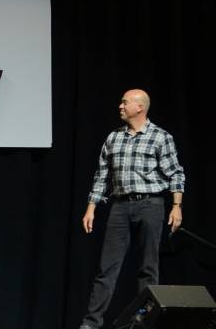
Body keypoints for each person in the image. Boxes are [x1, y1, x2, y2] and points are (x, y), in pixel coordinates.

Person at [79, 89, 185, 329]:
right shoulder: (113, 138)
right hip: (119, 207)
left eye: (125, 102)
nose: (120, 106)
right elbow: (101, 176)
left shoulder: (160, 137)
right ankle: (90, 324)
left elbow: (176, 173)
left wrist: (177, 205)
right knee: (107, 268)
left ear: (140, 107)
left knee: (148, 268)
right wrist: (91, 208)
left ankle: (144, 323)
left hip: (151, 204)